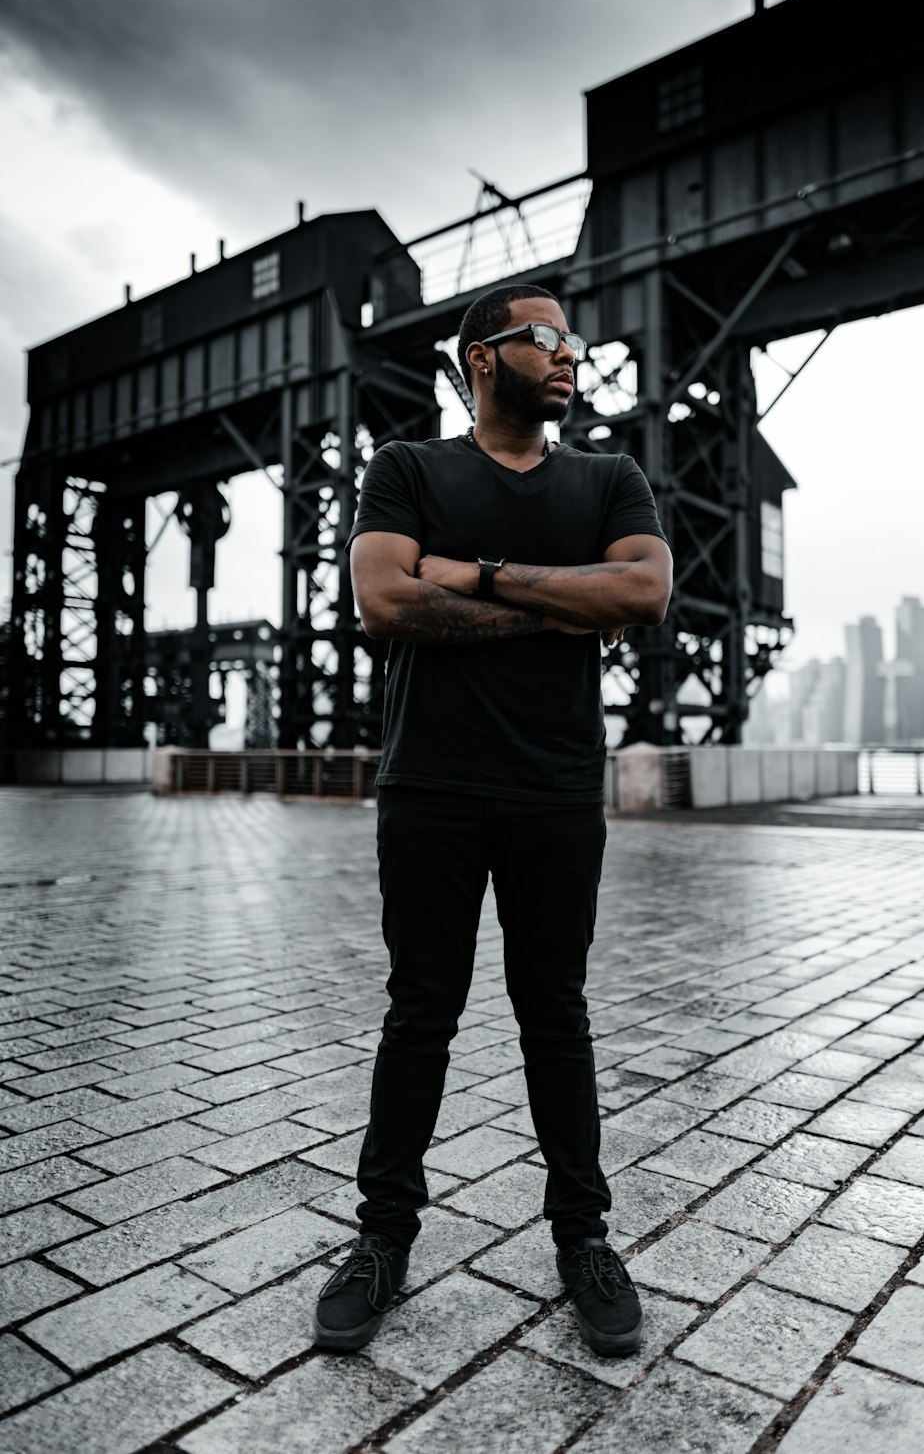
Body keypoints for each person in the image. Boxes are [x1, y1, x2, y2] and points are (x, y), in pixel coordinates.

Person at [313, 283, 672, 1358]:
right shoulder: (408, 468)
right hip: (430, 784)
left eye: (574, 341)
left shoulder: (610, 477)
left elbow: (643, 595)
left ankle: (582, 1239)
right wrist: (564, 601)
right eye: (546, 339)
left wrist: (477, 575)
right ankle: (382, 1237)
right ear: (480, 356)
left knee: (553, 1015)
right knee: (419, 1010)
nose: (571, 355)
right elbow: (383, 602)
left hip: (557, 787)